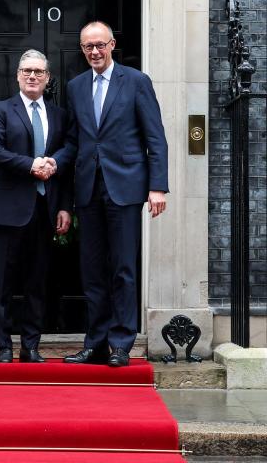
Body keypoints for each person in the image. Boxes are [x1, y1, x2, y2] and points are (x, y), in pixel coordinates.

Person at [53, 21, 168, 367]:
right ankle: (96, 342)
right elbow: (74, 141)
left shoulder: (136, 81)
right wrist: (52, 163)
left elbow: (155, 137)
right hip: (88, 189)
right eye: (88, 47)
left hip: (125, 188)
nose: (94, 52)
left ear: (112, 44)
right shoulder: (75, 87)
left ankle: (121, 343)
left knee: (122, 269)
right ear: (82, 49)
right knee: (91, 272)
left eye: (100, 45)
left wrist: (157, 186)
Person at [0, 49, 72, 364]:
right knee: (3, 283)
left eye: (38, 71)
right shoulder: (2, 110)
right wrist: (30, 164)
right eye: (27, 71)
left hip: (44, 209)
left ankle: (30, 346)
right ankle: (4, 346)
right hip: (7, 210)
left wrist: (63, 205)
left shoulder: (58, 115)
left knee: (37, 282)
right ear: (17, 76)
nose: (32, 76)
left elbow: (68, 153)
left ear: (47, 78)